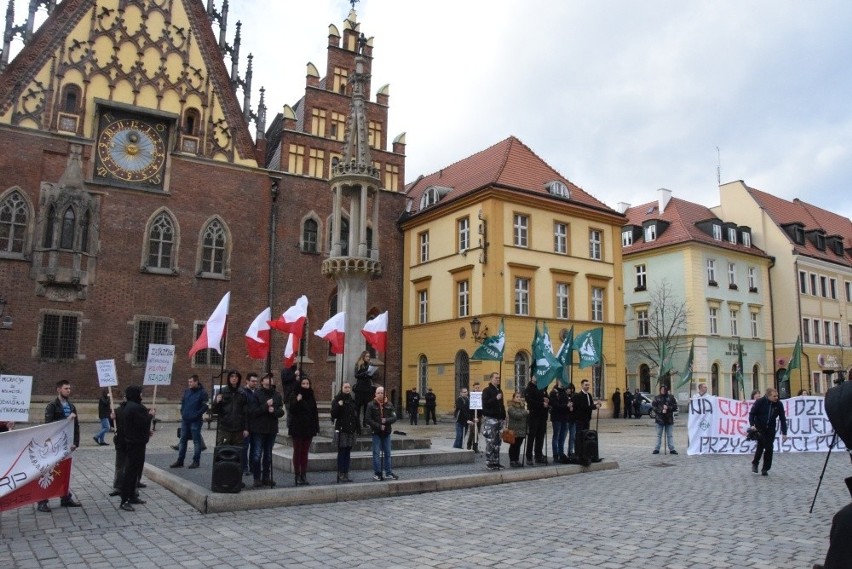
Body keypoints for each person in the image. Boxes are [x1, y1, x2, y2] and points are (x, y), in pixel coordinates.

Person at [37, 380, 81, 512]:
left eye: (69, 388)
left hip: (67, 444)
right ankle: (42, 500)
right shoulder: (52, 406)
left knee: (65, 470)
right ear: (58, 390)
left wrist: (76, 442)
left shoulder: (71, 406)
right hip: (54, 445)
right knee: (49, 471)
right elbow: (49, 425)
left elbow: (76, 426)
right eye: (65, 388)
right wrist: (67, 420)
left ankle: (65, 497)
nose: (68, 390)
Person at [115, 386, 154, 512]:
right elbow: (141, 423)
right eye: (140, 393)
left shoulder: (128, 406)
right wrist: (150, 416)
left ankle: (132, 496)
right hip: (135, 443)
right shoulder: (135, 407)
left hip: (134, 442)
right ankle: (125, 499)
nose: (142, 395)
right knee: (131, 473)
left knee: (135, 471)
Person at [248, 372, 285, 487]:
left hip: (271, 429)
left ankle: (266, 477)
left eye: (271, 378)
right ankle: (257, 477)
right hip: (259, 429)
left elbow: (281, 412)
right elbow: (253, 411)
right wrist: (265, 406)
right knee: (257, 454)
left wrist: (274, 411)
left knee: (268, 455)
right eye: (267, 378)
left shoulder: (277, 395)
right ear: (262, 381)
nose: (270, 380)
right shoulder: (256, 394)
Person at [170, 375, 208, 469]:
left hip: (196, 420)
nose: (189, 384)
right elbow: (183, 402)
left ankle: (196, 461)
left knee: (196, 441)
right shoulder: (187, 391)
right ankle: (180, 460)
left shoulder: (202, 393)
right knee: (182, 440)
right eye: (189, 382)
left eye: (191, 382)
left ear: (196, 382)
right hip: (185, 420)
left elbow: (205, 406)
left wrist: (197, 414)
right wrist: (182, 412)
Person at [747, 387, 787, 475]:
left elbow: (782, 418)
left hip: (771, 429)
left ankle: (765, 468)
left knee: (769, 448)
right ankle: (755, 463)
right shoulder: (760, 402)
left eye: (777, 396)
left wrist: (784, 432)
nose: (777, 398)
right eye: (774, 396)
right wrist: (752, 425)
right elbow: (752, 414)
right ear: (768, 396)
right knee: (762, 445)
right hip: (760, 428)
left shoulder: (779, 404)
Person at [288, 375, 319, 486]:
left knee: (305, 452)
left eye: (307, 383)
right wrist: (297, 400)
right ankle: (297, 474)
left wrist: (316, 427)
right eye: (303, 384)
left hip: (308, 427)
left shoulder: (311, 395)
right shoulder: (295, 394)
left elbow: (315, 412)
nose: (306, 386)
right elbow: (292, 410)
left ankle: (303, 474)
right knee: (297, 451)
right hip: (297, 427)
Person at [366, 386, 398, 481]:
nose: (380, 394)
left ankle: (388, 472)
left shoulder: (389, 404)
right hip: (376, 432)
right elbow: (368, 419)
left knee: (388, 453)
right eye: (378, 393)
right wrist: (379, 425)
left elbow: (394, 417)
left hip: (387, 432)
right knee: (376, 453)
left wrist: (386, 420)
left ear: (385, 394)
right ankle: (378, 473)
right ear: (375, 394)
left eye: (382, 393)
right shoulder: (371, 405)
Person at [330, 382, 360, 482]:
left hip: (351, 429)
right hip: (342, 429)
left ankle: (346, 472)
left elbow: (355, 415)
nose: (347, 389)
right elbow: (333, 415)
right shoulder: (337, 399)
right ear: (342, 388)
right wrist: (339, 405)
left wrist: (357, 427)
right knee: (342, 452)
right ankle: (340, 472)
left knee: (348, 452)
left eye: (349, 387)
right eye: (345, 387)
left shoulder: (351, 400)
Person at [212, 370, 249, 446]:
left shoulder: (242, 393)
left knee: (237, 453)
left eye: (236, 377)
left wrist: (246, 428)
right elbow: (215, 410)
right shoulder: (222, 391)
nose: (234, 378)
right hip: (224, 428)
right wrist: (216, 402)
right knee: (223, 451)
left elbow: (246, 412)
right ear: (228, 378)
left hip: (238, 429)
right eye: (232, 376)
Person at [481, 372, 506, 471]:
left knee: (497, 442)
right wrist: (495, 398)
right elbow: (485, 404)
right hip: (490, 418)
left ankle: (496, 461)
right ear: (491, 379)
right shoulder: (487, 391)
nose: (498, 379)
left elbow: (501, 405)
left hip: (499, 419)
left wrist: (504, 416)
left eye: (499, 378)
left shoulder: (499, 390)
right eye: (496, 378)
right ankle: (489, 462)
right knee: (490, 441)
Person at [524, 376, 549, 465]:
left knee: (540, 436)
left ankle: (538, 455)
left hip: (542, 415)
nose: (537, 377)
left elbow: (546, 398)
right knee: (532, 436)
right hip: (534, 414)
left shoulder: (542, 387)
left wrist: (546, 400)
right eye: (535, 375)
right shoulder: (529, 388)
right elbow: (530, 401)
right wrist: (542, 403)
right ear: (531, 377)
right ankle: (529, 456)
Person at [240, 373, 259, 476]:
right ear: (247, 381)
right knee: (244, 447)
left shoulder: (257, 392)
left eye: (256, 381)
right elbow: (243, 412)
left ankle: (253, 467)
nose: (255, 383)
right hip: (246, 425)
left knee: (255, 447)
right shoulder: (243, 393)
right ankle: (244, 467)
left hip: (256, 425)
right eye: (253, 381)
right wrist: (245, 427)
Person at [652, 385, 678, 454]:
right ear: (660, 390)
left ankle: (672, 449)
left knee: (670, 435)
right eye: (662, 389)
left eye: (664, 389)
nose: (663, 390)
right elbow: (654, 407)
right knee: (659, 435)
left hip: (669, 419)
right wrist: (661, 411)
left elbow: (675, 406)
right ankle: (657, 449)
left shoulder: (671, 397)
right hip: (660, 419)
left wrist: (668, 408)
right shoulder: (657, 398)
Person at [549, 381, 570, 463]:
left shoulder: (565, 392)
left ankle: (561, 453)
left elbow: (566, 404)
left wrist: (569, 406)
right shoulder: (554, 392)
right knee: (556, 436)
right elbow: (555, 405)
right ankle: (555, 454)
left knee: (562, 437)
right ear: (558, 382)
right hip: (557, 418)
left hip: (565, 417)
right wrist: (566, 406)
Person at [506, 391, 529, 467]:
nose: (519, 398)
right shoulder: (511, 407)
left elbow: (525, 418)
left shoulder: (522, 406)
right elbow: (516, 415)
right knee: (513, 445)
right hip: (514, 430)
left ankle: (517, 459)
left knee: (518, 446)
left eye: (520, 397)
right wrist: (526, 412)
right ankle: (512, 460)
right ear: (513, 398)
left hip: (522, 430)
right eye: (517, 397)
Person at [353, 351, 374, 427]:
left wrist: (371, 374)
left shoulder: (370, 365)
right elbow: (356, 375)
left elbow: (371, 376)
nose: (368, 358)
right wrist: (365, 373)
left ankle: (365, 423)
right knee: (357, 407)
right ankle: (357, 423)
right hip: (360, 388)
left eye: (369, 356)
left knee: (366, 406)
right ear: (363, 357)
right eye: (366, 356)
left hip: (367, 388)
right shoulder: (358, 364)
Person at [466, 382, 482, 452]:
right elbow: (469, 408)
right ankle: (471, 446)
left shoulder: (481, 396)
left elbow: (482, 407)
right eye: (476, 388)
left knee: (476, 431)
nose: (477, 389)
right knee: (473, 432)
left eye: (478, 388)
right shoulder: (471, 396)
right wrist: (470, 418)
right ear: (473, 388)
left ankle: (472, 446)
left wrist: (480, 417)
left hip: (479, 416)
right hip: (472, 416)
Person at [565, 383, 578, 459]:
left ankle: (571, 451)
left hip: (573, 419)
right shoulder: (565, 396)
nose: (571, 390)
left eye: (572, 389)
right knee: (563, 437)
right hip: (566, 419)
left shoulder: (575, 396)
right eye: (570, 389)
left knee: (573, 437)